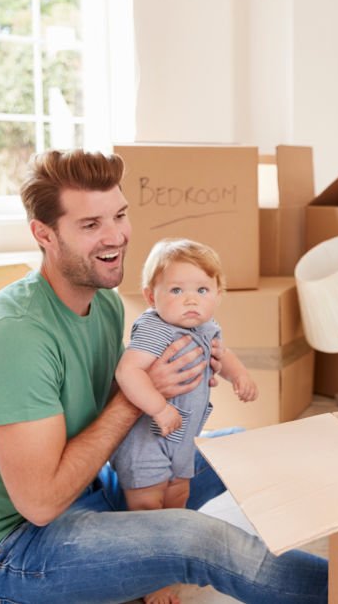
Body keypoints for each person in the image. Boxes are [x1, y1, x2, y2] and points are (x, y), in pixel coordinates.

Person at [0, 150, 327, 603]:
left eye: (119, 215)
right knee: (197, 541)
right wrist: (141, 396)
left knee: (241, 446)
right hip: (6, 556)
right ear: (43, 234)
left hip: (89, 492)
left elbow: (115, 412)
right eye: (90, 225)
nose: (115, 236)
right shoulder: (14, 337)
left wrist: (189, 373)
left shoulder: (103, 303)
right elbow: (40, 504)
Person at [112, 238, 258, 604]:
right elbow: (128, 372)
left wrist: (239, 375)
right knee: (147, 511)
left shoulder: (208, 328)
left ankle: (169, 557)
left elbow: (222, 357)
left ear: (218, 294)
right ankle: (149, 581)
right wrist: (159, 408)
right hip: (147, 441)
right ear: (151, 296)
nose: (191, 300)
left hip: (183, 440)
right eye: (176, 290)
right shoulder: (154, 329)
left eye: (202, 289)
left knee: (178, 498)